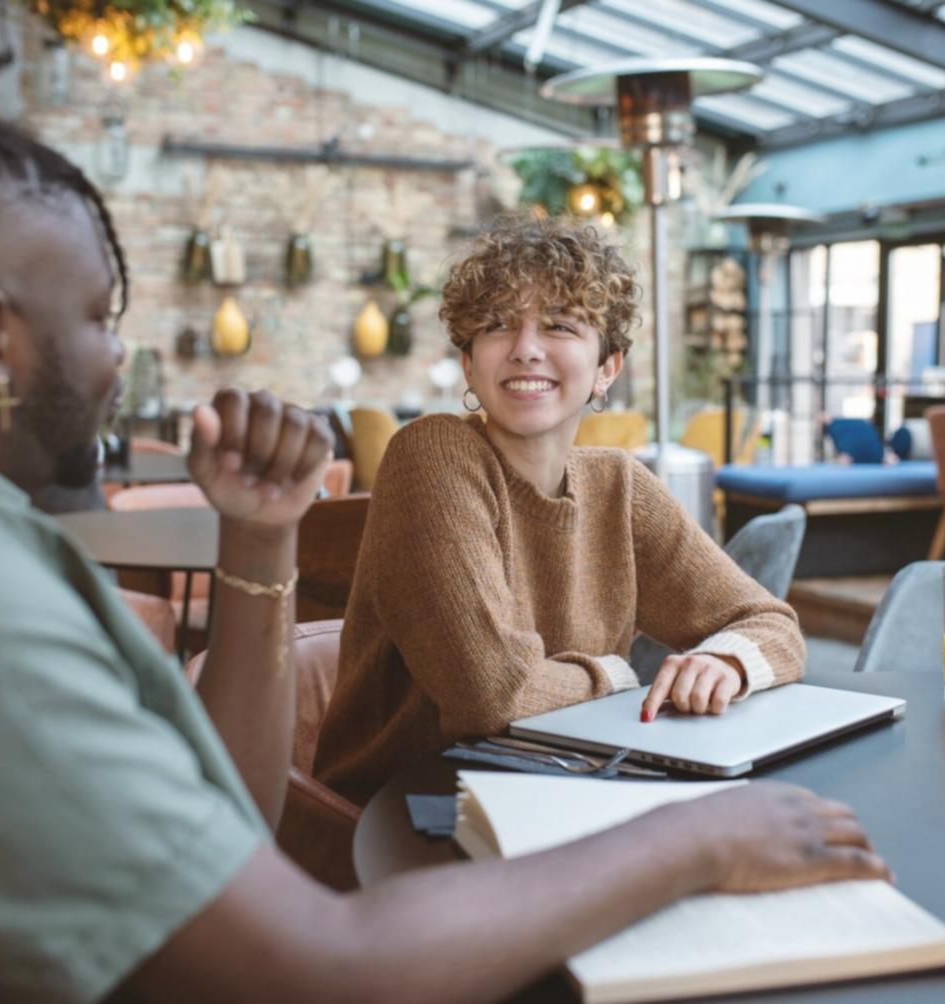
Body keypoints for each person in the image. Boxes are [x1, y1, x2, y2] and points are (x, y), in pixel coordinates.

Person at [0, 55, 887, 1003]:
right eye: (102, 317)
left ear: (608, 365)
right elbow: (316, 967)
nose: (116, 360)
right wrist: (703, 836)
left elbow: (228, 815)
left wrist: (258, 544)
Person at [315, 216, 805, 804]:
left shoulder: (619, 485)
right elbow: (489, 697)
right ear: (469, 364)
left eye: (559, 325)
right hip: (400, 816)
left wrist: (728, 660)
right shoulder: (434, 455)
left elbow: (773, 623)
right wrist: (621, 676)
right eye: (497, 326)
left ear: (607, 368)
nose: (525, 349)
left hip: (557, 795)